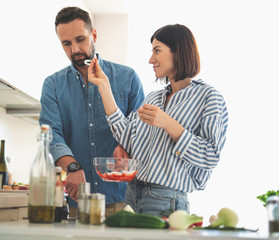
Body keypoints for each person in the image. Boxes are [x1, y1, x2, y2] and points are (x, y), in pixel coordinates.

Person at [88, 24, 228, 217]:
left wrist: (169, 124)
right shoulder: (154, 98)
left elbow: (210, 156)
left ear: (178, 52)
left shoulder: (209, 98)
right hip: (131, 194)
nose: (150, 59)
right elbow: (127, 136)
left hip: (166, 199)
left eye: (157, 51)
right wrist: (104, 86)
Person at [39, 6, 145, 217]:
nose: (75, 49)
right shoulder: (52, 85)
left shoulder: (128, 78)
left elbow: (142, 131)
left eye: (80, 39)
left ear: (93, 34)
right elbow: (52, 135)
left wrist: (125, 145)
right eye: (66, 43)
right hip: (79, 204)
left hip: (124, 202)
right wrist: (73, 168)